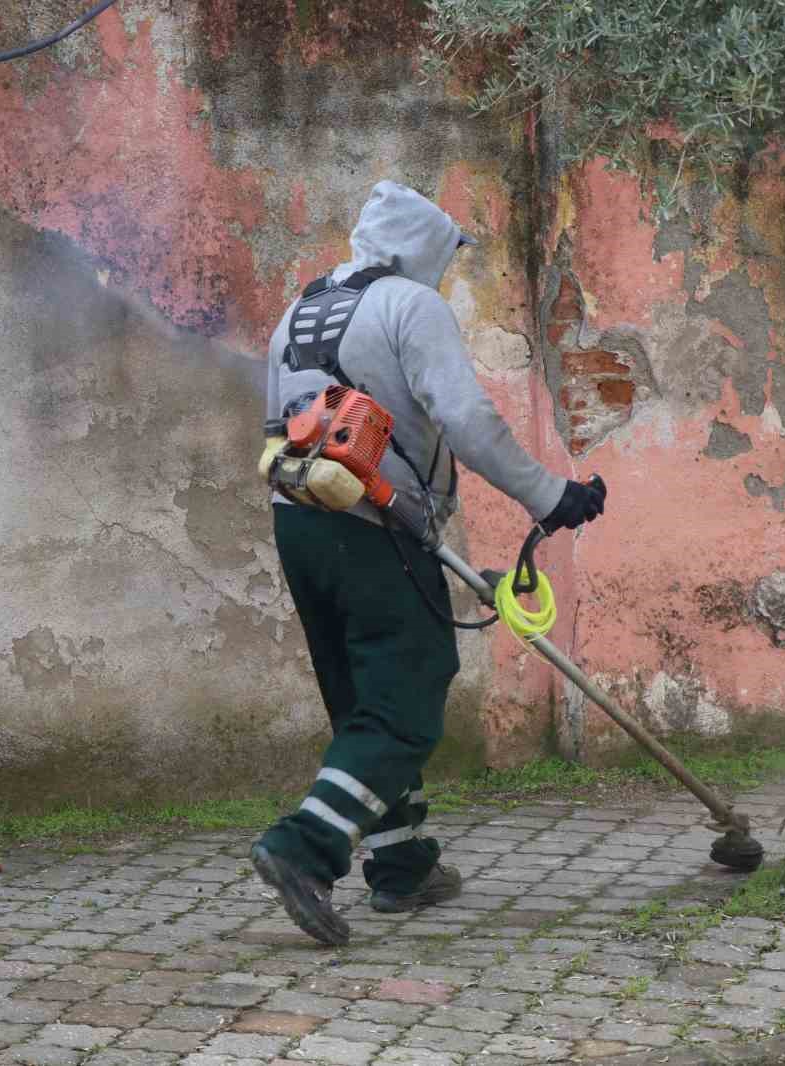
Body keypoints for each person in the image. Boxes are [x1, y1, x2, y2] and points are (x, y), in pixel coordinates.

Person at [252, 181, 607, 946]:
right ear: (421, 249)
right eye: (443, 259)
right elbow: (467, 419)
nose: (444, 274)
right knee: (411, 690)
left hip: (300, 523)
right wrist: (552, 497)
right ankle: (305, 846)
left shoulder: (297, 311)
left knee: (361, 693)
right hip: (371, 523)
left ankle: (402, 862)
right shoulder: (411, 306)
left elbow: (277, 424)